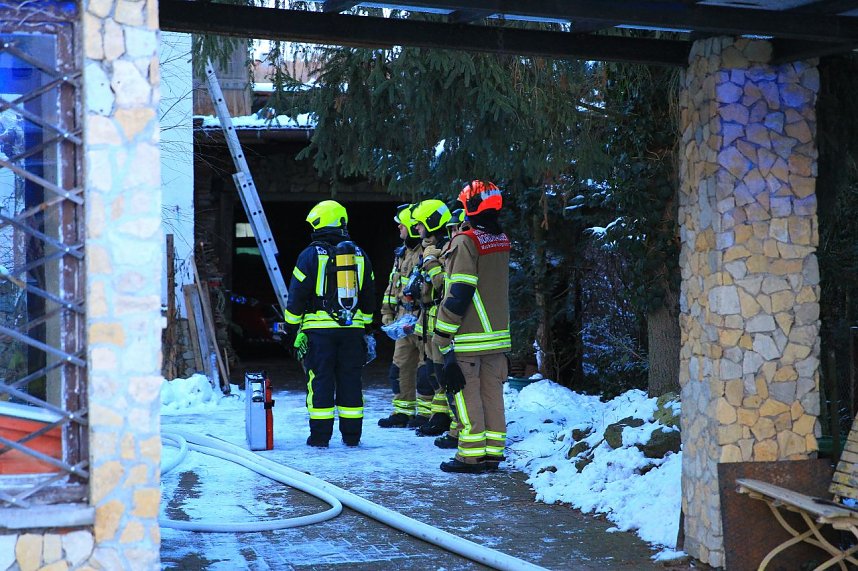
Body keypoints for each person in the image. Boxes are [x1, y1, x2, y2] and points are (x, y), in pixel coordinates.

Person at [282, 200, 376, 447]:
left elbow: (296, 295)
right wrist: (366, 327)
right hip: (352, 331)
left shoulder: (309, 255)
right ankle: (352, 437)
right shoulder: (360, 254)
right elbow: (369, 295)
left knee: (320, 380)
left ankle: (320, 437)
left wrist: (291, 330)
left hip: (319, 334)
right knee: (351, 381)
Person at [432, 181, 510, 473]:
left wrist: (442, 333)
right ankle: (492, 453)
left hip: (468, 335)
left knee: (466, 396)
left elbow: (459, 292)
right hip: (496, 336)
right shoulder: (500, 239)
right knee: (493, 395)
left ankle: (470, 456)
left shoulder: (466, 241)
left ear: (470, 206)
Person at [410, 199, 454, 437]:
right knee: (431, 369)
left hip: (440, 317)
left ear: (431, 222)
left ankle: (445, 418)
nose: (417, 229)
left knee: (441, 369)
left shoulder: (446, 248)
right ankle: (439, 416)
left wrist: (430, 261)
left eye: (419, 224)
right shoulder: (428, 248)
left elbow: (442, 284)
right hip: (427, 317)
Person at [377, 204, 424, 428]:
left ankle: (428, 415)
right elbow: (392, 286)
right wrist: (387, 312)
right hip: (403, 321)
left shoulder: (428, 252)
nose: (399, 228)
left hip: (423, 319)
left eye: (403, 224)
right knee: (400, 367)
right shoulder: (402, 253)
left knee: (427, 370)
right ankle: (402, 411)